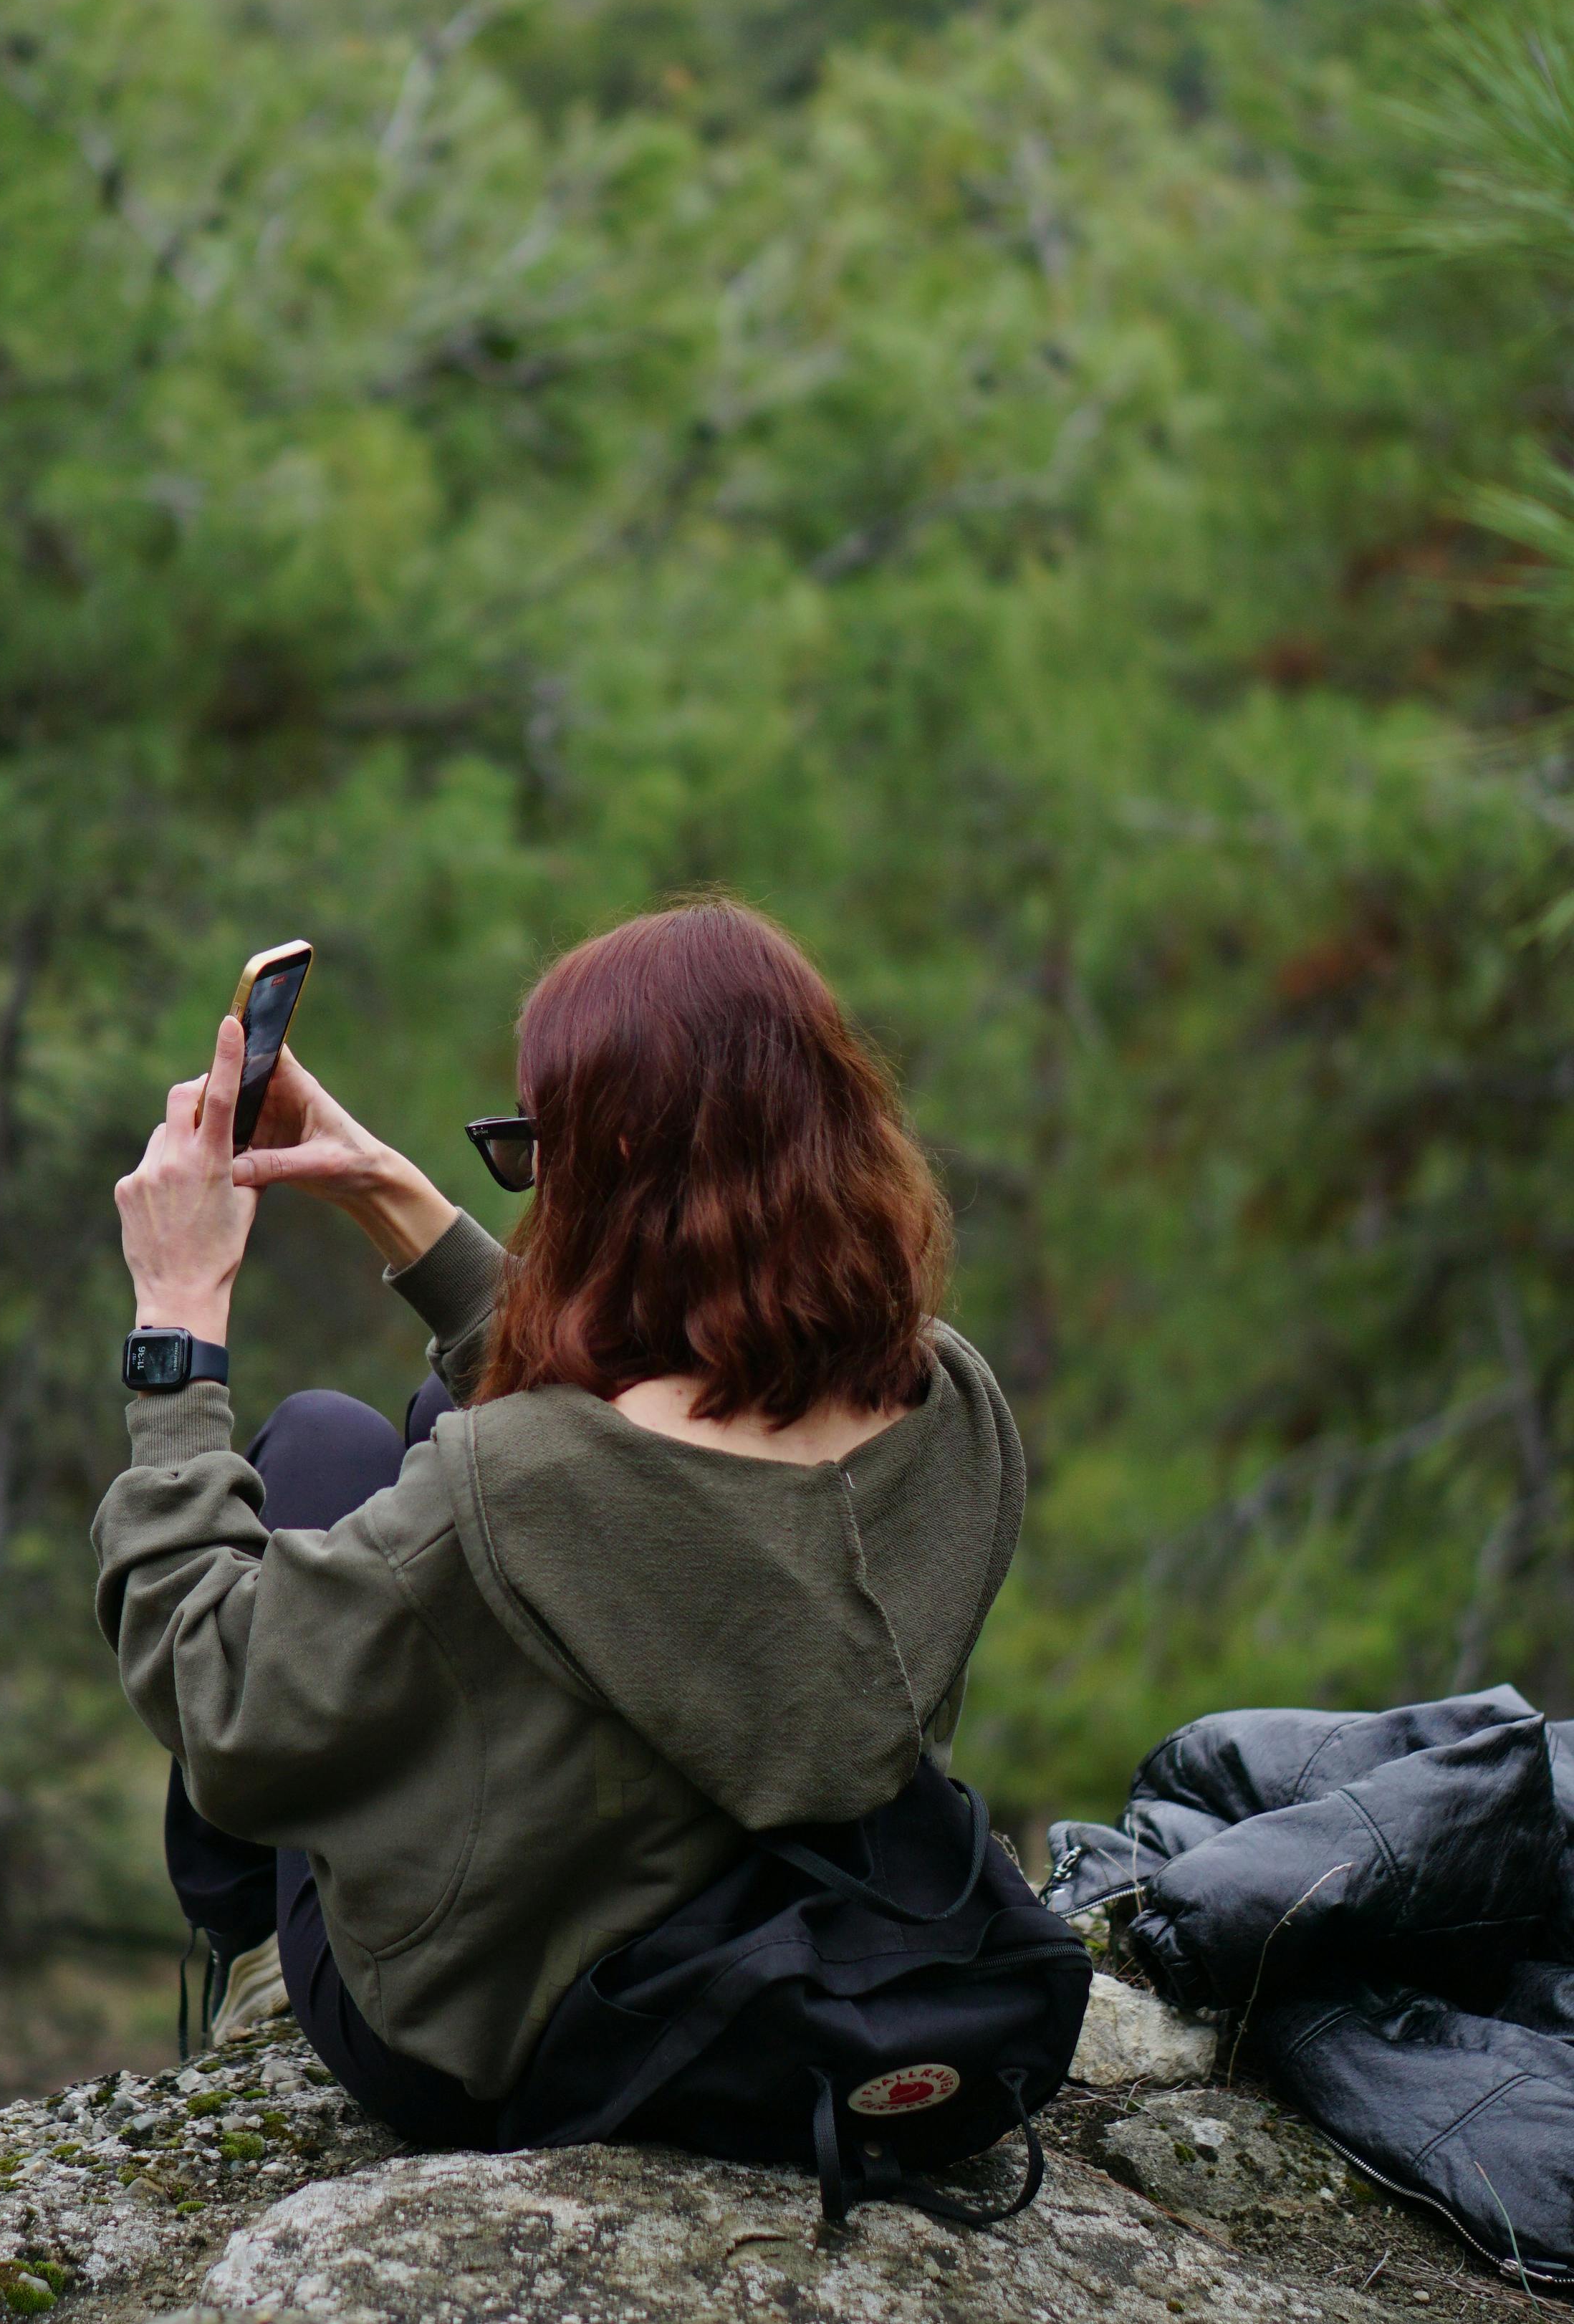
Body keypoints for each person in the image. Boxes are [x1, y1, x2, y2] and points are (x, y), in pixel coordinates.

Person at [93, 899, 1025, 2152]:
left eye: (538, 1149)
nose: (533, 1184)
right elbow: (665, 1455)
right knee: (444, 1400)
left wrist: (177, 1321)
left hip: (506, 2043)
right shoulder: (951, 1402)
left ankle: (256, 1953)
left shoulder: (520, 1489)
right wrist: (388, 1193)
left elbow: (215, 1699)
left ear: (619, 1164)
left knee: (325, 1439)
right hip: (767, 1930)